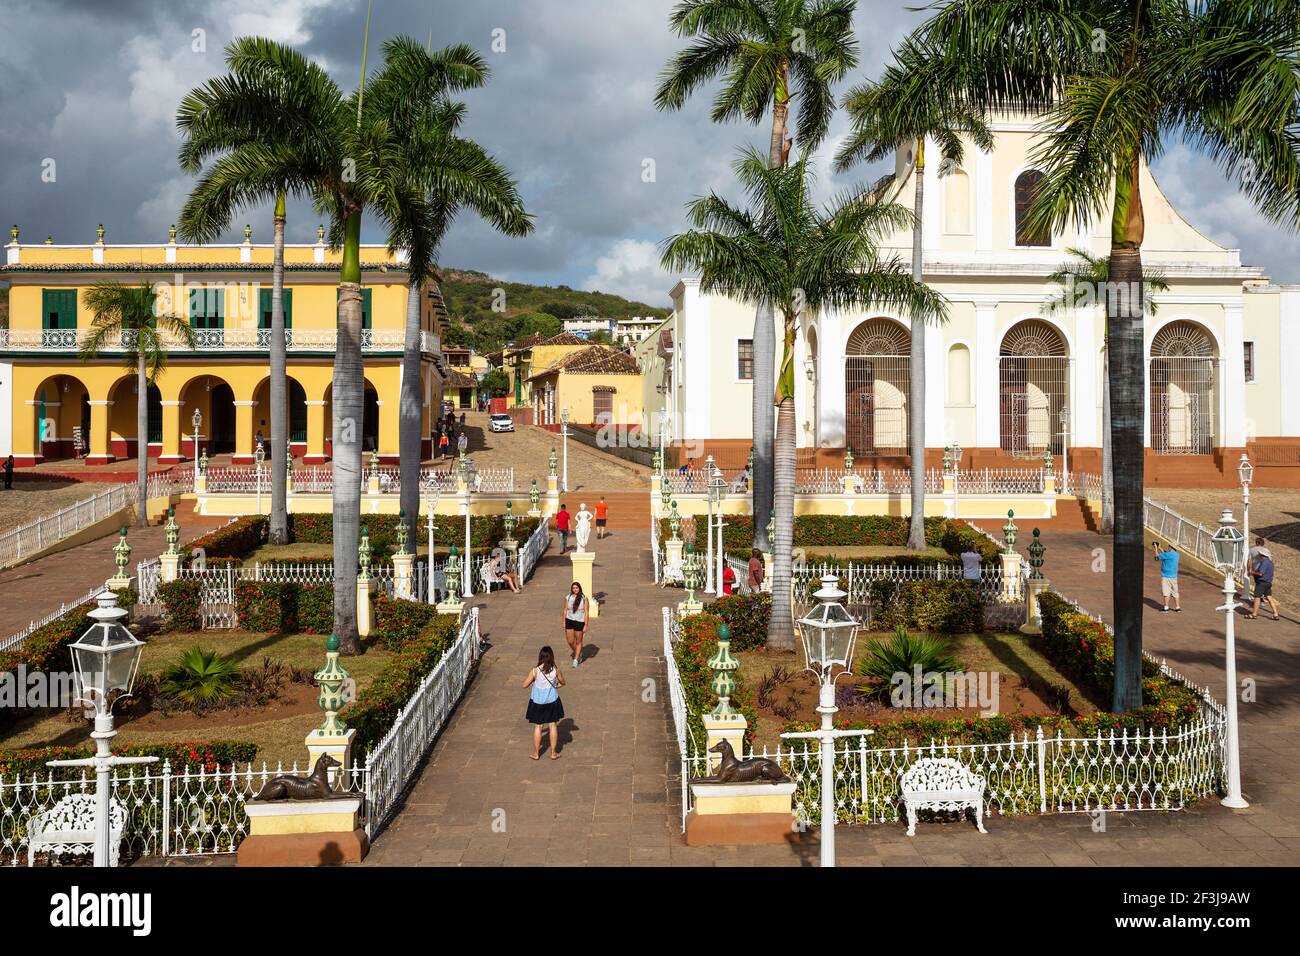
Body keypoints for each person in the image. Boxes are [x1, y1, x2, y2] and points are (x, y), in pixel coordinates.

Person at [522, 646, 565, 760]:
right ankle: (553, 753)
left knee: (538, 726)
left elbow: (524, 685)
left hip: (537, 702)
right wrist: (556, 686)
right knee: (553, 725)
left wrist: (534, 683)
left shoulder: (535, 671)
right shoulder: (556, 670)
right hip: (552, 701)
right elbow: (563, 683)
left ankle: (536, 753)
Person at [1247, 545, 1280, 621]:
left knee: (1257, 597)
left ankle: (1254, 614)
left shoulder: (1264, 562)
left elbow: (1261, 573)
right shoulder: (1271, 563)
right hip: (1268, 582)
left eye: (1260, 554)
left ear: (1262, 555)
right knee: (1269, 597)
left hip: (1262, 582)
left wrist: (1251, 572)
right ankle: (1275, 614)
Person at [563, 581, 589, 667]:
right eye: (573, 588)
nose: (575, 589)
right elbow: (565, 610)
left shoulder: (584, 598)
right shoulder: (568, 597)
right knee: (570, 641)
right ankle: (578, 651)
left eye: (576, 588)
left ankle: (576, 659)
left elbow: (586, 612)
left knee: (578, 641)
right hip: (569, 620)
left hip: (579, 621)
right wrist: (563, 621)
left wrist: (586, 624)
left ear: (579, 588)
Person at [1153, 540, 1181, 612]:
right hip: (1174, 576)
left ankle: (1166, 608)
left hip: (1166, 576)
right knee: (1175, 592)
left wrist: (1156, 548)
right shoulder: (1177, 554)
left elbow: (1157, 557)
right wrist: (1160, 548)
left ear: (1171, 547)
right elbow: (1166, 555)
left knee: (1166, 592)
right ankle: (1178, 607)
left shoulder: (1167, 554)